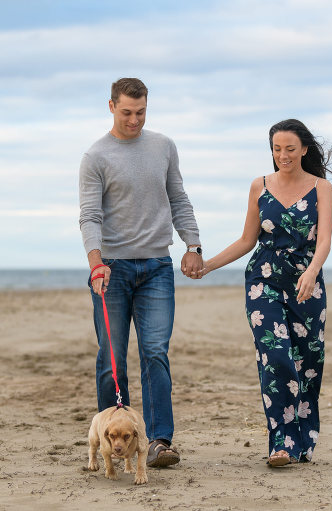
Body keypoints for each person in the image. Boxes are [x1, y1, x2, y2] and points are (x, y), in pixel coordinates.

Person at [196, 119, 332, 466]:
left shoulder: (321, 188)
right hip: (264, 282)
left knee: (307, 364)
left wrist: (311, 272)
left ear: (304, 149)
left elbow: (324, 242)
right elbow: (247, 240)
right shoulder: (258, 186)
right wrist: (209, 265)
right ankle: (282, 444)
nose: (283, 156)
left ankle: (303, 440)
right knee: (275, 358)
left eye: (290, 149)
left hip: (307, 284)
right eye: (277, 149)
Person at [78, 77, 203, 468]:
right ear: (111, 106)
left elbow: (178, 196)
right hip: (111, 270)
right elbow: (90, 215)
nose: (135, 120)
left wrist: (193, 245)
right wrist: (95, 262)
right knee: (110, 358)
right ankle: (110, 440)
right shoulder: (96, 156)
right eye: (128, 112)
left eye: (141, 112)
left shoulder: (163, 147)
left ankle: (159, 442)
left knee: (155, 353)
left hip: (156, 268)